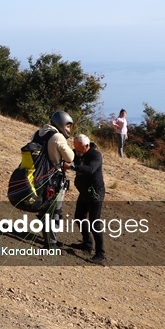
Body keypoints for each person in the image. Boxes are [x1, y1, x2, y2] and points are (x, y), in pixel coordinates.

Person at [33, 110, 75, 247]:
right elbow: (70, 157)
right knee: (55, 210)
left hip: (38, 175)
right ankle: (51, 243)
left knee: (44, 208)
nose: (68, 129)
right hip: (53, 178)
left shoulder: (39, 133)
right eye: (68, 126)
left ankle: (50, 239)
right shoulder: (58, 136)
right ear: (61, 124)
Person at [70, 133, 106, 265]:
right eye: (75, 148)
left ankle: (100, 254)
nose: (77, 152)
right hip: (84, 192)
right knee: (79, 217)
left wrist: (73, 167)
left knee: (94, 223)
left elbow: (90, 169)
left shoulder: (96, 155)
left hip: (95, 193)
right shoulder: (77, 153)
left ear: (87, 146)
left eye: (79, 149)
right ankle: (87, 243)